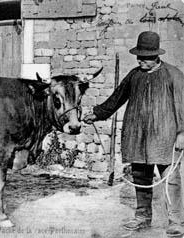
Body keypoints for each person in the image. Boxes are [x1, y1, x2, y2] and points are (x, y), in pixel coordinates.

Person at [84, 31, 184, 236]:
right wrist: (96, 114)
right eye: (139, 56)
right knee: (140, 177)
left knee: (171, 179)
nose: (141, 61)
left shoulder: (173, 74)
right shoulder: (134, 75)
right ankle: (143, 217)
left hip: (165, 136)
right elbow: (116, 98)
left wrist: (182, 133)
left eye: (146, 57)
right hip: (138, 135)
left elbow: (183, 106)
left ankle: (175, 221)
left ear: (156, 56)